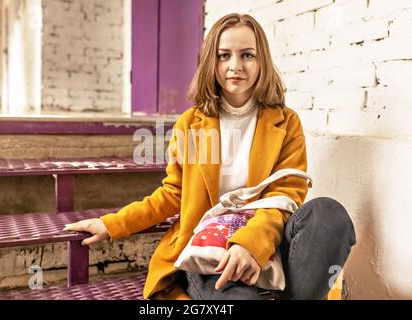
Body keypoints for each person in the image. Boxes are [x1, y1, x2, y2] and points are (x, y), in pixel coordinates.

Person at [64, 13, 356, 300]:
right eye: (224, 55)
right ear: (211, 62)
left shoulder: (286, 121)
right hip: (210, 249)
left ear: (262, 61)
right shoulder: (190, 124)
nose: (235, 66)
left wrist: (250, 244)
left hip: (268, 241)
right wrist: (113, 224)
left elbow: (284, 198)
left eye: (247, 55)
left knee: (328, 214)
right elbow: (172, 195)